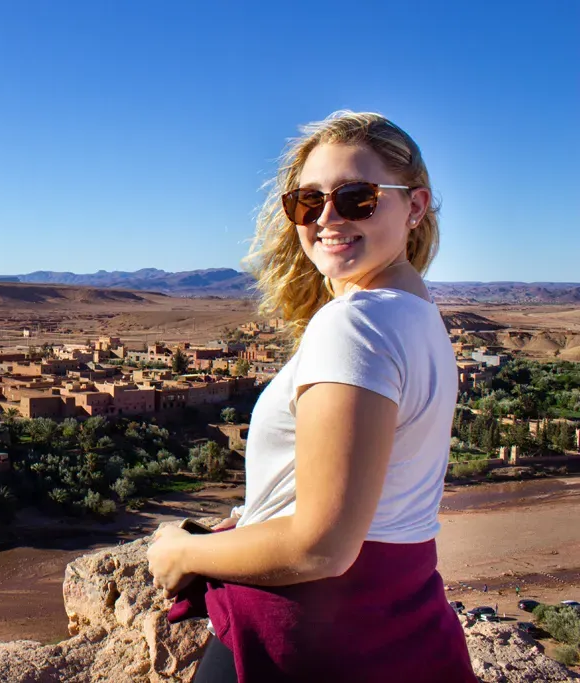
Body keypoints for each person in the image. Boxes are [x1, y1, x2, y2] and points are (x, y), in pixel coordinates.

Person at [146, 111, 475, 682]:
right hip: (399, 626)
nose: (327, 217)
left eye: (357, 198)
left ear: (415, 207)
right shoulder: (417, 316)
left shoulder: (355, 325)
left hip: (301, 640)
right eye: (307, 201)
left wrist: (182, 552)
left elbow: (321, 545)